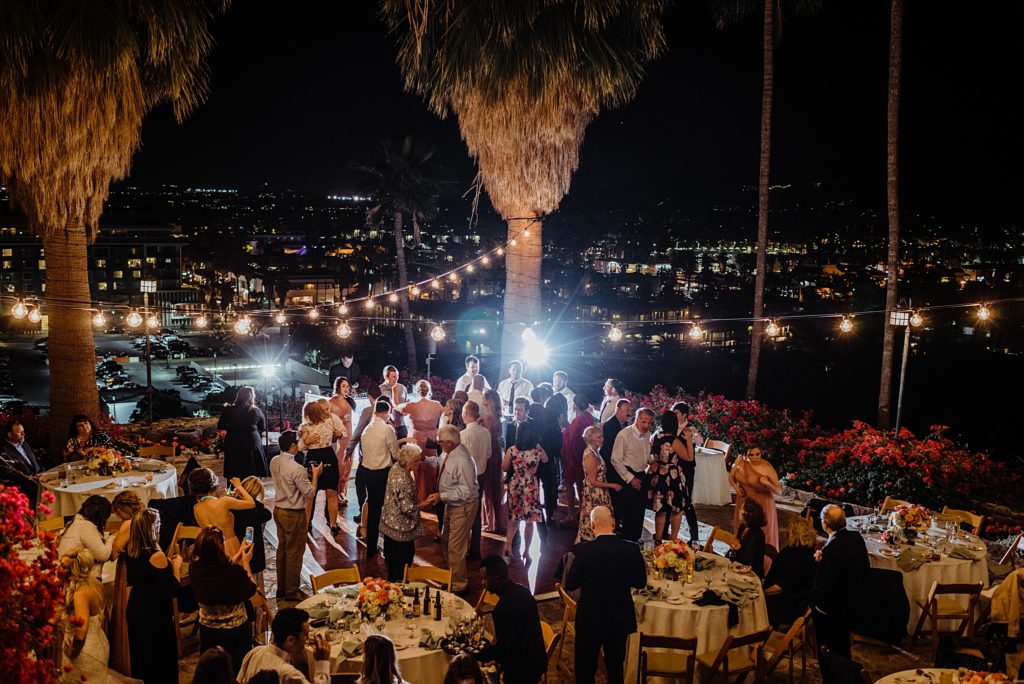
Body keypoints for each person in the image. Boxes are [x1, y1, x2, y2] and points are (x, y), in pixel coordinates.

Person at [565, 506, 647, 684]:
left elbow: (571, 584)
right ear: (613, 524)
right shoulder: (632, 549)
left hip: (590, 618)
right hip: (619, 618)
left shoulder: (584, 551)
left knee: (585, 669)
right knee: (615, 668)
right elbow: (641, 582)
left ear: (592, 526)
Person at [190, 526, 257, 676]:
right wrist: (245, 562)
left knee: (213, 672)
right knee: (237, 672)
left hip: (208, 631)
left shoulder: (195, 568)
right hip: (235, 632)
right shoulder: (234, 574)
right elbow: (251, 589)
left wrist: (239, 553)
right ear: (219, 549)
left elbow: (220, 572)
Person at [125, 508, 182, 684]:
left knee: (142, 656)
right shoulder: (156, 556)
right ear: (152, 527)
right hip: (153, 610)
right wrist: (176, 567)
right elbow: (173, 590)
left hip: (135, 606)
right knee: (161, 657)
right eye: (158, 524)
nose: (160, 527)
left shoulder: (131, 551)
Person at [475, 556, 547, 684]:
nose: (482, 582)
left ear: (495, 579)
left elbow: (504, 651)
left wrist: (478, 654)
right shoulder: (524, 592)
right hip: (538, 661)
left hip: (521, 672)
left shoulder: (501, 611)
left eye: (484, 578)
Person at [424, 424, 479, 593]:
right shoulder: (449, 453)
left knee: (456, 546)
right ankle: (452, 577)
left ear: (449, 442)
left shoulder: (462, 460)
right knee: (446, 540)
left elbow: (465, 491)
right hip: (451, 503)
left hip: (463, 506)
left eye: (440, 442)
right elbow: (442, 465)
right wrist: (425, 459)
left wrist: (441, 496)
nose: (438, 444)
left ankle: (458, 585)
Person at [270, 431, 323, 602]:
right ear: (293, 445)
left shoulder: (274, 461)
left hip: (278, 510)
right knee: (295, 552)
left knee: (283, 551)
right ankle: (292, 590)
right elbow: (310, 493)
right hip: (293, 513)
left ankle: (281, 587)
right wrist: (315, 475)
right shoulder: (296, 468)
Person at [811, 505, 869, 658]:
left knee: (832, 650)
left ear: (825, 524)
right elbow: (865, 568)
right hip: (855, 601)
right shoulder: (856, 537)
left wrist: (818, 607)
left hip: (835, 610)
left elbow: (826, 586)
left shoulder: (831, 549)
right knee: (843, 648)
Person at [237, 608, 331, 684]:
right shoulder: (289, 674)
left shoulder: (254, 652)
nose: (307, 640)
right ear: (290, 640)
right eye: (305, 635)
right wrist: (322, 662)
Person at [503, 398, 547, 561]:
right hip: (529, 483)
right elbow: (545, 459)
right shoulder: (510, 426)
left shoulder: (533, 427)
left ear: (527, 411)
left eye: (520, 409)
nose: (517, 412)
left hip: (518, 482)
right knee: (529, 520)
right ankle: (524, 550)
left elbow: (504, 466)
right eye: (515, 409)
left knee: (515, 517)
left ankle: (509, 546)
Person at [108, 491, 145, 675]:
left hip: (128, 570)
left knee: (123, 612)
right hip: (143, 571)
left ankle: (125, 660)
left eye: (117, 512)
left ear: (123, 509)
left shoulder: (128, 524)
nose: (117, 515)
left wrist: (111, 539)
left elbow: (113, 555)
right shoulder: (145, 517)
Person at [61, 549, 110, 683]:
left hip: (84, 653)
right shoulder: (95, 584)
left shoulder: (80, 594)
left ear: (73, 569)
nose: (58, 568)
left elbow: (81, 632)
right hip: (100, 645)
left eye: (63, 566)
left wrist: (73, 652)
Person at [648, 411, 698, 545]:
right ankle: (674, 540)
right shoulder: (674, 441)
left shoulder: (655, 437)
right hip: (672, 475)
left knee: (661, 509)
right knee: (677, 509)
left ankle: (658, 540)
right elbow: (689, 457)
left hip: (659, 474)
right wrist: (688, 439)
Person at [380, 443, 428, 582]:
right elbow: (407, 508)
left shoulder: (396, 467)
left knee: (393, 565)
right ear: (407, 461)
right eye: (416, 460)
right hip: (400, 531)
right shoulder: (403, 480)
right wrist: (425, 503)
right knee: (401, 566)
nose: (419, 463)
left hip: (390, 526)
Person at [298, 398, 346, 535]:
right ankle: (330, 524)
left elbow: (300, 448)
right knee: (327, 493)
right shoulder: (327, 422)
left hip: (316, 457)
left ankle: (312, 524)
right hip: (324, 456)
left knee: (316, 494)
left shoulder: (306, 427)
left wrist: (306, 441)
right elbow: (340, 433)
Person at [609, 408, 655, 542]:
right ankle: (627, 543)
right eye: (644, 422)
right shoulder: (624, 435)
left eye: (649, 423)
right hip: (627, 474)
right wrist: (631, 478)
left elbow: (646, 455)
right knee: (629, 512)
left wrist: (652, 462)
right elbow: (615, 460)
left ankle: (635, 540)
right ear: (636, 419)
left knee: (640, 511)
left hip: (641, 474)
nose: (646, 426)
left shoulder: (648, 434)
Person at [361, 401, 400, 557]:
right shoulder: (386, 429)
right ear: (386, 413)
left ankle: (371, 547)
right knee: (389, 510)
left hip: (368, 473)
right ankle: (390, 549)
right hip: (382, 474)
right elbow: (395, 453)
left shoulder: (366, 429)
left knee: (374, 511)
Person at [396, 379, 444, 503]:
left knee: (416, 467)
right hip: (431, 439)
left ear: (417, 391)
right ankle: (431, 499)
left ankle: (417, 499)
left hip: (416, 439)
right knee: (431, 467)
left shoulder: (411, 405)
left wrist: (394, 392)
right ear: (429, 390)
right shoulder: (437, 405)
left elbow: (396, 407)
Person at [764, 517, 818, 626]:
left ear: (794, 533)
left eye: (789, 530)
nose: (787, 532)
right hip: (795, 602)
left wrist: (762, 594)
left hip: (783, 607)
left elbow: (779, 587)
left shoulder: (796, 556)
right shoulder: (809, 551)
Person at [191, 467, 256, 557]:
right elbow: (251, 503)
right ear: (213, 484)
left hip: (209, 548)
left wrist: (222, 497)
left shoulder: (196, 507)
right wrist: (238, 486)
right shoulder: (224, 502)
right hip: (228, 546)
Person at [728, 444, 782, 550]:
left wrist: (767, 483)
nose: (754, 457)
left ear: (761, 453)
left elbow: (779, 491)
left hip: (761, 503)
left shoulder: (766, 467)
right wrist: (736, 488)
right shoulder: (740, 460)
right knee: (742, 530)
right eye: (751, 455)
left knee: (762, 534)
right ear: (745, 455)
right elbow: (731, 477)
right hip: (744, 500)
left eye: (757, 454)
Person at [577, 425, 620, 543]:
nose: (602, 439)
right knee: (596, 519)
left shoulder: (595, 452)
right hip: (594, 493)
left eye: (602, 437)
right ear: (591, 439)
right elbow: (593, 481)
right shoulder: (590, 455)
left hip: (600, 491)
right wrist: (613, 485)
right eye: (599, 437)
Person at [348, 383, 383, 524]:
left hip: (368, 455)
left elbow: (358, 432)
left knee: (360, 483)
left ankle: (364, 513)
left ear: (369, 397)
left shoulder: (369, 411)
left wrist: (349, 450)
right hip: (384, 457)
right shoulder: (388, 408)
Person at [57, 494, 114, 578]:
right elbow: (103, 555)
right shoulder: (85, 526)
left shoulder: (76, 522)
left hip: (71, 575)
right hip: (83, 579)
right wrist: (112, 537)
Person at [218, 386, 268, 479]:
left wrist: (231, 427)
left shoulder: (229, 410)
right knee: (251, 473)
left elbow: (220, 425)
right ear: (252, 397)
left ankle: (234, 488)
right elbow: (263, 427)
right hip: (252, 442)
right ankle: (251, 488)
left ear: (238, 396)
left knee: (234, 474)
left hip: (233, 442)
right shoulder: (256, 411)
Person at [461, 401, 490, 559]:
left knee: (464, 513)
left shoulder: (463, 435)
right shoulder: (485, 433)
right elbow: (489, 454)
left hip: (467, 477)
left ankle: (463, 548)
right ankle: (475, 549)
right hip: (482, 475)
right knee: (477, 513)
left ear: (466, 414)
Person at [561, 394, 595, 524]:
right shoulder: (589, 417)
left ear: (575, 406)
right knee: (581, 483)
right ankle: (582, 509)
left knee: (569, 483)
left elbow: (570, 441)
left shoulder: (577, 422)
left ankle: (571, 514)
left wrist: (563, 428)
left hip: (573, 457)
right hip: (585, 454)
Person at [479, 389, 506, 536]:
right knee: (495, 487)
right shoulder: (498, 418)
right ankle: (495, 521)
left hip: (489, 452)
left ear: (488, 400)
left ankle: (490, 522)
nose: (482, 399)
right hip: (497, 452)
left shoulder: (487, 419)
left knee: (488, 488)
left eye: (484, 397)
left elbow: (487, 438)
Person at [328, 377, 356, 505]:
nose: (346, 388)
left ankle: (343, 492)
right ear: (338, 386)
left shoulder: (349, 401)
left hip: (349, 437)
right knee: (339, 466)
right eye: (343, 386)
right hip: (338, 439)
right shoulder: (330, 402)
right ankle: (336, 493)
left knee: (347, 466)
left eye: (347, 386)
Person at [1, 419, 42, 503]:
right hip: (24, 487)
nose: (23, 434)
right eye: (20, 432)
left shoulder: (25, 444)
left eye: (23, 431)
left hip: (39, 480)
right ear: (10, 434)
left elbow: (34, 464)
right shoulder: (3, 451)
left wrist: (41, 472)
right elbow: (9, 473)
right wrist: (30, 478)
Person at [729, 499, 768, 579]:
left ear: (748, 514)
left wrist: (738, 548)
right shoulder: (743, 527)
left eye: (741, 509)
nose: (739, 510)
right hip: (739, 568)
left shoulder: (756, 534)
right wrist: (734, 547)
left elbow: (749, 560)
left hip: (751, 575)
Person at [600, 398, 632, 467]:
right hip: (611, 464)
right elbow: (610, 450)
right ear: (618, 410)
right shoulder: (609, 425)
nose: (630, 413)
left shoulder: (626, 423)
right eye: (627, 410)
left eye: (630, 410)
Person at [379, 366, 409, 439]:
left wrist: (407, 410)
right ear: (386, 377)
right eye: (394, 377)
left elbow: (407, 404)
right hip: (386, 427)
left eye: (397, 376)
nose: (396, 379)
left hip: (401, 425)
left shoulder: (402, 388)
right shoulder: (380, 389)